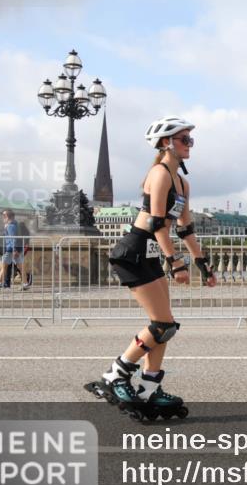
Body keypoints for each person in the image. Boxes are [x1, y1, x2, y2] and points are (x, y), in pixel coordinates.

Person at [87, 116, 217, 420]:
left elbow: (185, 229)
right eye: (184, 139)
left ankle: (148, 387)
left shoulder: (183, 182)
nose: (189, 145)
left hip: (148, 254)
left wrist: (203, 265)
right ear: (166, 143)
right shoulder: (159, 174)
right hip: (133, 251)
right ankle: (115, 376)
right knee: (161, 325)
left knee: (165, 326)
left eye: (191, 140)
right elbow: (158, 223)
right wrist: (175, 262)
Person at [0, 210, 22, 290]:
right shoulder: (13, 224)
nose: (3, 218)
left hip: (10, 249)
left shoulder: (11, 225)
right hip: (11, 249)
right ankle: (25, 282)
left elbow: (13, 239)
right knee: (18, 266)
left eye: (3, 216)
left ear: (7, 217)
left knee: (3, 266)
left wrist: (15, 249)